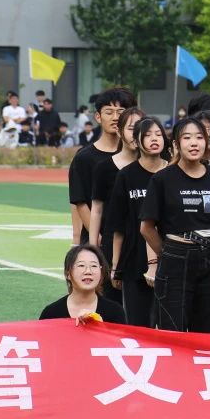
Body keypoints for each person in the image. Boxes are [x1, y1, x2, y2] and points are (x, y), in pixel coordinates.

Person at [140, 117, 210, 419]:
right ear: (176, 144)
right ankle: (176, 410)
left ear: (206, 143)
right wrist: (170, 252)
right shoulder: (163, 179)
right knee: (173, 333)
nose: (194, 143)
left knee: (208, 335)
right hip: (175, 257)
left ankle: (203, 409)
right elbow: (147, 227)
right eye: (187, 137)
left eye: (199, 137)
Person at [36, 245, 130, 419]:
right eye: (81, 266)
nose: (88, 271)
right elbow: (43, 357)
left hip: (105, 379)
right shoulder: (52, 312)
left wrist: (100, 328)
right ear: (68, 273)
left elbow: (125, 353)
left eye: (94, 266)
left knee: (121, 378)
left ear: (102, 273)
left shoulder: (114, 311)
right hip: (66, 384)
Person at [108, 116, 169, 327]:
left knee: (168, 325)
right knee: (137, 323)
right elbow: (118, 225)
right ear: (136, 141)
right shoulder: (126, 176)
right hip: (134, 260)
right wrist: (116, 265)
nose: (154, 139)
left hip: (171, 259)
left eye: (159, 134)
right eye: (148, 135)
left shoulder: (173, 172)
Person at [90, 107, 146, 303]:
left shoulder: (158, 168)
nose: (136, 134)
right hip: (112, 241)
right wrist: (93, 248)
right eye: (131, 128)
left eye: (141, 128)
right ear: (120, 131)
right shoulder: (104, 168)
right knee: (111, 300)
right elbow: (97, 209)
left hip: (145, 244)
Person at [69, 88, 135, 244]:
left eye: (120, 112)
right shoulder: (83, 158)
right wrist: (97, 236)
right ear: (98, 117)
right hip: (98, 240)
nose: (115, 118)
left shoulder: (137, 155)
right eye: (109, 112)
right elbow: (80, 201)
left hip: (132, 237)